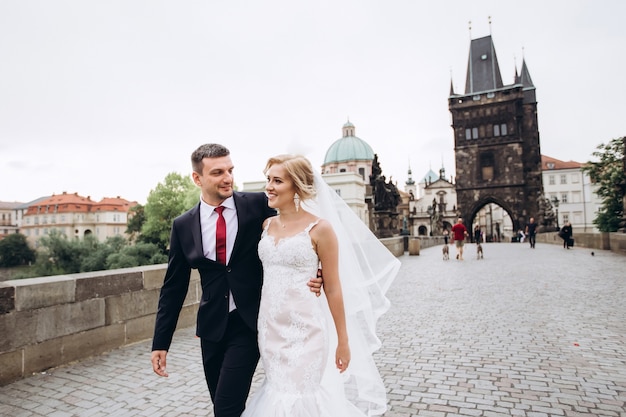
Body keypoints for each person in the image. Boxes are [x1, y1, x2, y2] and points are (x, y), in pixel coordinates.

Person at [150, 144, 322, 417]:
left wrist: (318, 268)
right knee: (222, 404)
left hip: (250, 322)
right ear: (198, 178)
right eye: (217, 172)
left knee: (227, 408)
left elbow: (299, 234)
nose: (227, 177)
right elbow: (173, 286)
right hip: (211, 328)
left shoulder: (258, 205)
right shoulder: (183, 225)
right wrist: (161, 342)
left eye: (230, 170)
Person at [242, 154, 400, 417]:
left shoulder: (320, 229)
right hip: (270, 328)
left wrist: (343, 341)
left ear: (298, 186)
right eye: (268, 179)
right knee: (277, 390)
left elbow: (334, 287)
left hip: (307, 329)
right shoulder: (266, 225)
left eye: (277, 180)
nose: (269, 186)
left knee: (302, 396)